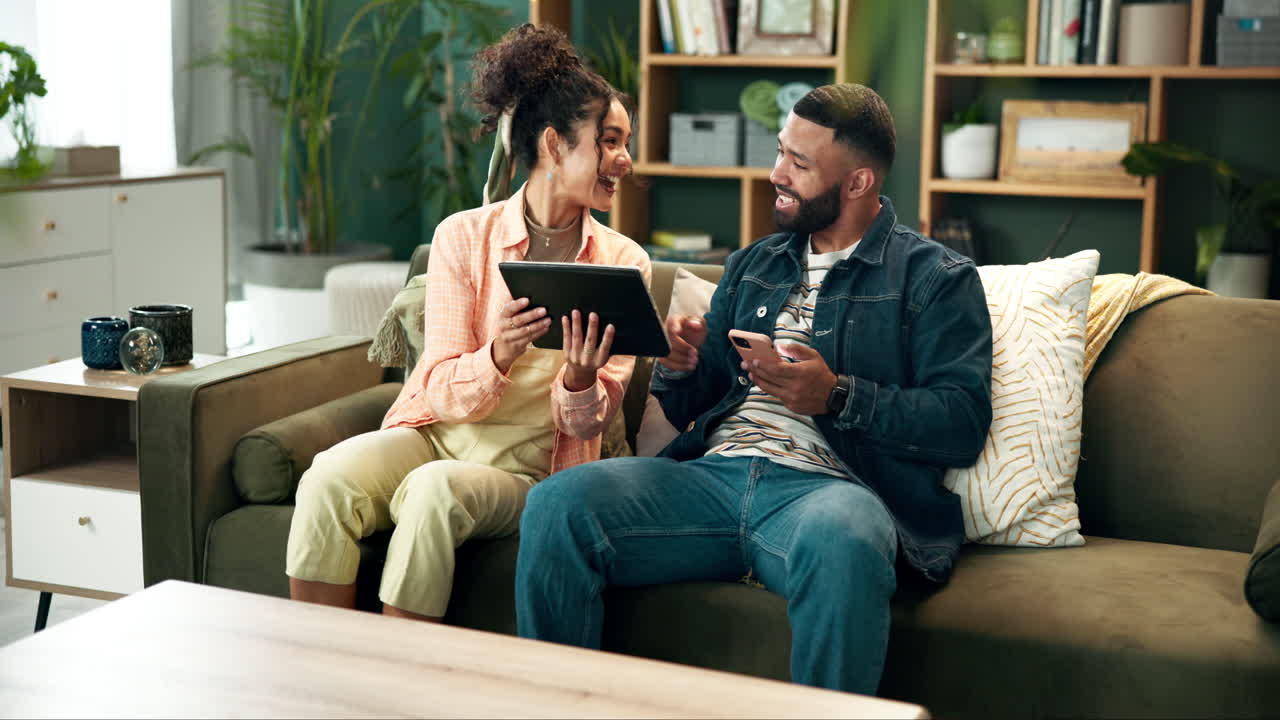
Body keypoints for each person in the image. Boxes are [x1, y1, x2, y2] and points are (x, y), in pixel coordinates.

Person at [514, 83, 993, 694]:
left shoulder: (936, 279)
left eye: (799, 163)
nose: (776, 174)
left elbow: (961, 422)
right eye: (779, 152)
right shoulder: (754, 264)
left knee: (846, 540)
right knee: (557, 505)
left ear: (858, 183)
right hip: (713, 479)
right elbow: (694, 400)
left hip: (829, 493)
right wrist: (680, 364)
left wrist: (835, 395)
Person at [285, 23, 646, 622]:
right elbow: (440, 388)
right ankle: (323, 671)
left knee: (434, 490)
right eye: (609, 141)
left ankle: (401, 687)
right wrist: (498, 354)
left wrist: (582, 380)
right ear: (555, 146)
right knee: (328, 476)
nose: (625, 160)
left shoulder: (624, 262)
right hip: (437, 436)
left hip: (533, 467)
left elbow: (594, 422)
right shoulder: (462, 237)